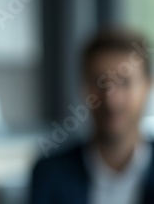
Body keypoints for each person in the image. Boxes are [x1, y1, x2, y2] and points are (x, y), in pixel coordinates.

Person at [30, 28, 154, 204]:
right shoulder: (50, 175)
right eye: (100, 82)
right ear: (83, 87)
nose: (112, 100)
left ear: (147, 87)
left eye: (124, 83)